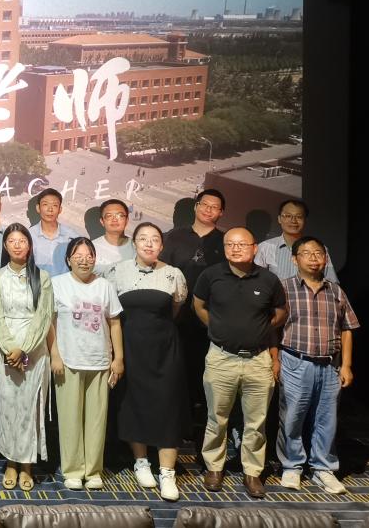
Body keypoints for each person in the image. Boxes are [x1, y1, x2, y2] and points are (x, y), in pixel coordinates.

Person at [193, 227, 287, 498]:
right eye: (230, 244)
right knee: (216, 418)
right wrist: (217, 328)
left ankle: (252, 472)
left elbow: (280, 312)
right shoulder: (211, 275)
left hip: (258, 359)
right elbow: (198, 305)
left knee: (256, 421)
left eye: (242, 244)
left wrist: (260, 330)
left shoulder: (268, 279)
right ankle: (214, 467)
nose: (235, 248)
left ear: (254, 248)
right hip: (221, 358)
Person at [106, 223, 188, 502]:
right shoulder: (117, 272)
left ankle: (167, 472)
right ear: (134, 243)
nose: (149, 244)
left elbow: (176, 308)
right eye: (143, 239)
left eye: (155, 239)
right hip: (130, 349)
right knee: (133, 403)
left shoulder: (173, 274)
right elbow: (111, 314)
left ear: (162, 246)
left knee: (168, 407)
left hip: (165, 351)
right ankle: (141, 462)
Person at [276, 235, 359, 494]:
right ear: (295, 259)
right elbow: (270, 328)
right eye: (307, 253)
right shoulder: (283, 289)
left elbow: (347, 328)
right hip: (295, 361)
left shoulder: (336, 291)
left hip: (330, 365)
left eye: (319, 253)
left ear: (325, 258)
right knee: (292, 418)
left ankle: (323, 468)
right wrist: (274, 360)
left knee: (327, 419)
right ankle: (292, 466)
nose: (314, 258)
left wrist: (346, 365)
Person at [47, 237, 123, 491]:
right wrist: (55, 355)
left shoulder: (105, 286)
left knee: (97, 421)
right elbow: (50, 323)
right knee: (69, 420)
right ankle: (72, 470)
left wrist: (118, 358)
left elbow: (114, 323)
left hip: (99, 361)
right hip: (68, 361)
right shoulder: (57, 284)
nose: (84, 260)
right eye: (78, 256)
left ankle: (93, 471)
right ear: (68, 259)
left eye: (89, 255)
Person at [0, 223, 53, 491]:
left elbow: (43, 317)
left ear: (29, 245)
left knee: (30, 408)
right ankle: (11, 462)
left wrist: (24, 349)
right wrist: (9, 348)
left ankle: (27, 465)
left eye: (22, 240)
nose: (17, 245)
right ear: (5, 246)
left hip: (34, 350)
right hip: (5, 348)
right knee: (8, 406)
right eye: (12, 241)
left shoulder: (42, 277)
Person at [160, 188, 227, 436]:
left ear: (221, 213)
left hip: (211, 321)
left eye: (214, 207)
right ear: (196, 207)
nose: (208, 210)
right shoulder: (172, 237)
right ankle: (177, 428)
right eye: (204, 204)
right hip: (175, 319)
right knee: (176, 374)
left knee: (207, 377)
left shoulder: (225, 241)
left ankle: (203, 431)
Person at [255, 200, 339, 282]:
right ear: (279, 219)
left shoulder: (320, 248)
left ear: (305, 220)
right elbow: (257, 282)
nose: (293, 221)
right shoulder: (265, 247)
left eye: (299, 217)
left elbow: (331, 282)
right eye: (288, 216)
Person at [29, 188, 80, 277]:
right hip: (38, 284)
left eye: (55, 205)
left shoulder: (71, 235)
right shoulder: (28, 235)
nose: (50, 209)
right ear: (38, 208)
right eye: (45, 204)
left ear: (60, 209)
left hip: (64, 284)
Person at [91, 199, 134, 275]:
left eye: (120, 215)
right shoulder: (91, 248)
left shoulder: (138, 247)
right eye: (109, 216)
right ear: (102, 221)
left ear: (127, 220)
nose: (114, 219)